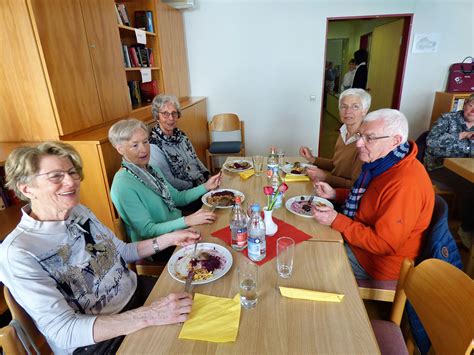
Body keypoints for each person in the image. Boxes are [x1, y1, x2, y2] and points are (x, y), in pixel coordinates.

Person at [0, 141, 199, 354]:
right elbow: (63, 330)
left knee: (206, 306)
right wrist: (150, 315)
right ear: (26, 188)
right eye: (56, 176)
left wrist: (169, 239)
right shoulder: (18, 252)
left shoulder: (80, 213)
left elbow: (122, 252)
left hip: (138, 296)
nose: (71, 182)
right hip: (99, 341)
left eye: (72, 172)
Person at [312, 109, 435, 280]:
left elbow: (384, 245)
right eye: (360, 136)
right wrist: (335, 194)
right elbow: (372, 199)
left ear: (396, 140)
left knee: (311, 259)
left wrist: (336, 220)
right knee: (308, 238)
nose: (359, 144)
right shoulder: (386, 163)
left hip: (377, 262)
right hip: (363, 245)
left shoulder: (405, 184)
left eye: (369, 138)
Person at [109, 119, 221, 243]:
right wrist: (188, 220)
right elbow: (147, 231)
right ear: (120, 149)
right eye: (135, 145)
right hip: (158, 244)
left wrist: (206, 186)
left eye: (145, 142)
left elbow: (178, 198)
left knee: (220, 220)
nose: (144, 149)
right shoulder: (122, 185)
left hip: (178, 224)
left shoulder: (152, 169)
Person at [424, 93, 474, 248]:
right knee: (469, 185)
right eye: (471, 105)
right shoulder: (447, 119)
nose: (473, 111)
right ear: (465, 104)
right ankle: (466, 229)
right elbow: (431, 142)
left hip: (465, 168)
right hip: (439, 166)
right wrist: (462, 135)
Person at [300, 88, 371, 188]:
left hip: (342, 196)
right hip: (330, 188)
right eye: (343, 106)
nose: (348, 111)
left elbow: (355, 186)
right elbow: (336, 165)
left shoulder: (365, 143)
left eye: (355, 107)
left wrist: (325, 177)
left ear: (364, 111)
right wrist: (312, 159)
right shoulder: (343, 131)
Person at [148, 94, 209, 191]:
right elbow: (169, 181)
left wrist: (207, 175)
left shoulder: (181, 135)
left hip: (201, 184)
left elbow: (195, 158)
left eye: (174, 113)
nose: (171, 118)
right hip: (185, 194)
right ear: (157, 116)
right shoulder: (154, 145)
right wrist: (198, 187)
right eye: (165, 114)